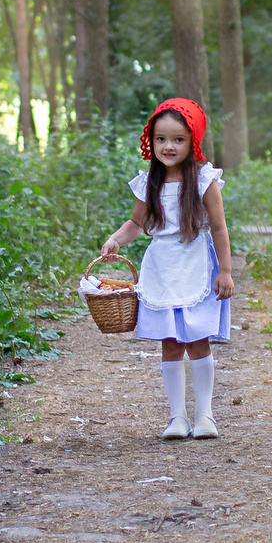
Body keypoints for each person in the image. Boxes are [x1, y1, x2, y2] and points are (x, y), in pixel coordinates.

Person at [94, 97, 235, 439]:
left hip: (196, 264)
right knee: (170, 343)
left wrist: (225, 271)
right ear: (151, 141)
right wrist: (116, 239)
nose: (168, 146)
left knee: (197, 341)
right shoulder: (148, 182)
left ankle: (205, 415)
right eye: (161, 139)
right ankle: (177, 417)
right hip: (162, 266)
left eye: (178, 139)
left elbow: (218, 227)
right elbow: (136, 223)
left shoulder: (203, 180)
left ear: (193, 142)